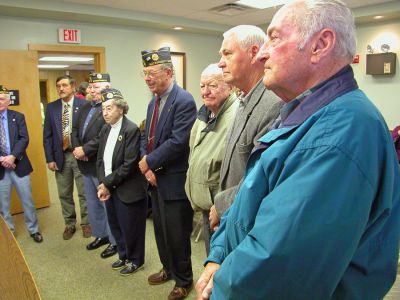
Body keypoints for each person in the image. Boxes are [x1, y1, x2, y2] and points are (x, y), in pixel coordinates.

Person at [196, 1, 400, 299]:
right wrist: (218, 254)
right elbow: (249, 201)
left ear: (320, 44)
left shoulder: (340, 133)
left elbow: (278, 266)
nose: (263, 52)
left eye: (275, 38)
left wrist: (220, 289)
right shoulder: (301, 110)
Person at [208, 25, 283, 231]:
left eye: (228, 54)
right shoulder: (243, 99)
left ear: (253, 53)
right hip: (232, 215)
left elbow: (259, 177)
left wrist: (221, 205)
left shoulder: (273, 104)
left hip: (247, 221)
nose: (220, 62)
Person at [139, 47, 197, 300]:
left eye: (152, 73)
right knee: (160, 231)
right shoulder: (154, 101)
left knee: (177, 234)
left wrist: (149, 162)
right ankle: (168, 269)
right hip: (155, 179)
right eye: (144, 73)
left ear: (168, 72)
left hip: (174, 181)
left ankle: (184, 280)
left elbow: (178, 141)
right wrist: (147, 162)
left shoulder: (184, 100)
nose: (147, 78)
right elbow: (146, 136)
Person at [185, 64, 238, 255]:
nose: (205, 92)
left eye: (213, 85)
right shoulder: (204, 114)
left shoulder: (236, 116)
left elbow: (238, 169)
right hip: (206, 206)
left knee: (222, 262)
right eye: (202, 86)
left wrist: (220, 205)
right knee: (212, 258)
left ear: (230, 86)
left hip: (222, 208)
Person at [97, 88, 147, 276]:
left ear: (121, 109)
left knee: (131, 228)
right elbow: (100, 159)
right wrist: (103, 183)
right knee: (116, 224)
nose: (105, 113)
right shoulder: (104, 129)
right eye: (103, 109)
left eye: (109, 108)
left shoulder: (131, 129)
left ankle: (136, 260)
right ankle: (123, 254)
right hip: (110, 187)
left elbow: (129, 164)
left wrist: (107, 183)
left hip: (128, 189)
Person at [71, 73, 117, 259]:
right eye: (90, 87)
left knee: (107, 205)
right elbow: (74, 130)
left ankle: (114, 241)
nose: (91, 90)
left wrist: (85, 150)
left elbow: (104, 135)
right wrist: (76, 149)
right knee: (92, 203)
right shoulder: (84, 108)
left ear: (107, 87)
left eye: (96, 87)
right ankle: (101, 235)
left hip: (100, 164)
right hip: (84, 164)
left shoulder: (111, 109)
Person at [43, 75, 90, 240]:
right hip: (60, 156)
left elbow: (88, 131)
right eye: (58, 86)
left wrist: (86, 151)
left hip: (80, 156)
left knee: (84, 192)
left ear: (73, 87)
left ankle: (86, 223)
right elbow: (47, 136)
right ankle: (70, 224)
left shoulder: (84, 105)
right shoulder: (52, 108)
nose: (61, 89)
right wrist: (49, 159)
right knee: (64, 193)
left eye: (64, 85)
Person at [0, 86, 43, 243]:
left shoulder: (17, 117)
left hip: (19, 166)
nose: (0, 102)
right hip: (1, 169)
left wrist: (12, 157)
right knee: (3, 204)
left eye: (2, 98)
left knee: (27, 201)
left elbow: (23, 138)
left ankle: (33, 229)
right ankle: (9, 231)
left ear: (9, 101)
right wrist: (2, 159)